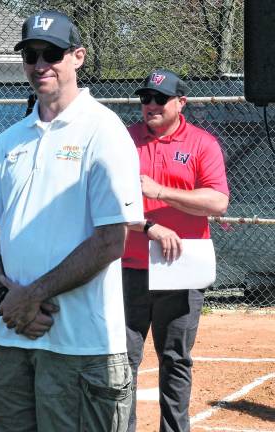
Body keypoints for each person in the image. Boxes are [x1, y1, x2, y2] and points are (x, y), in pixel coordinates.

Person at [0, 10, 143, 430]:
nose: (40, 64)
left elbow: (110, 241)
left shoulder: (104, 131)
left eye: (52, 53)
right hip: (12, 338)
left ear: (78, 57)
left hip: (82, 346)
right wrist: (4, 298)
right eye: (31, 54)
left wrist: (33, 296)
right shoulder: (8, 140)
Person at [122, 69, 229, 432]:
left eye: (159, 99)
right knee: (123, 361)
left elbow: (217, 202)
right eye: (145, 99)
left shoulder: (202, 144)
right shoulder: (125, 140)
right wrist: (149, 224)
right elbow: (108, 201)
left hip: (181, 268)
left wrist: (161, 192)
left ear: (180, 103)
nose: (149, 105)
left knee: (175, 360)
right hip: (129, 266)